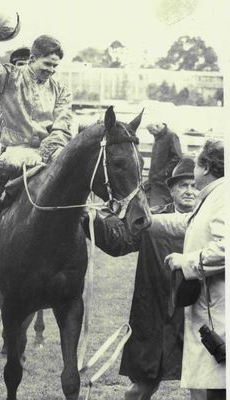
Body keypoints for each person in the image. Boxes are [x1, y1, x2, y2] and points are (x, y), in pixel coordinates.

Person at [84, 157, 198, 400]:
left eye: (194, 185)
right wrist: (90, 221)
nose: (190, 191)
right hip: (155, 313)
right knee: (142, 387)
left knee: (206, 386)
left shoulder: (213, 222)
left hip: (197, 313)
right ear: (171, 190)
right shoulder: (147, 219)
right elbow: (119, 243)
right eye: (183, 186)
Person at [0, 10, 72, 234]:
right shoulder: (8, 77)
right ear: (32, 59)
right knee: (7, 163)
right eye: (47, 64)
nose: (51, 71)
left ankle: (86, 217)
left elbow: (63, 126)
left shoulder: (62, 89)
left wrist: (44, 152)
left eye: (55, 66)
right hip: (14, 150)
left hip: (50, 150)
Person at [151, 139, 225, 400]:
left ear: (205, 167)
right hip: (210, 310)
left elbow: (226, 249)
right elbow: (187, 223)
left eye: (195, 166)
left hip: (219, 311)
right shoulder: (214, 196)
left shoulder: (223, 198)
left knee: (219, 385)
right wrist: (146, 220)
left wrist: (186, 262)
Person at [145, 122, 182, 207]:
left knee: (165, 202)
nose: (150, 133)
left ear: (157, 126)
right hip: (154, 179)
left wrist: (165, 172)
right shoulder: (158, 136)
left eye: (151, 130)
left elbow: (177, 157)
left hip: (164, 179)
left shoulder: (171, 136)